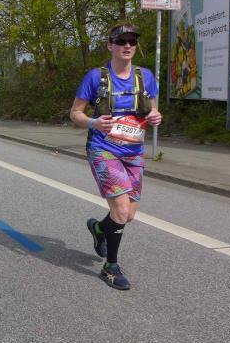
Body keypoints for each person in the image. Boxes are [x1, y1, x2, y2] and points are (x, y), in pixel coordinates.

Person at [69, 23, 162, 290]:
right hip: (103, 148)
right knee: (120, 210)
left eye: (132, 41)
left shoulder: (145, 76)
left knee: (128, 214)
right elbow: (75, 113)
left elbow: (153, 111)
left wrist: (155, 116)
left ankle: (99, 229)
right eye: (122, 41)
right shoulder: (95, 77)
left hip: (133, 151)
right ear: (111, 46)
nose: (128, 46)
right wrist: (93, 123)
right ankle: (110, 266)